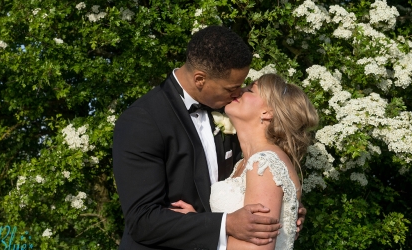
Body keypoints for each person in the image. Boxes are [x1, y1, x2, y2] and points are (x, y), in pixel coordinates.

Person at [113, 26, 304, 250]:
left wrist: (285, 208)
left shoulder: (232, 111)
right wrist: (225, 224)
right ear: (200, 79)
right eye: (232, 88)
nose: (238, 93)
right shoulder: (144, 120)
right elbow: (142, 221)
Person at [171, 73, 319, 249]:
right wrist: (201, 222)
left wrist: (199, 231)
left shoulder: (264, 164)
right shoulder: (243, 164)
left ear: (267, 113)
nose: (239, 91)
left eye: (250, 90)